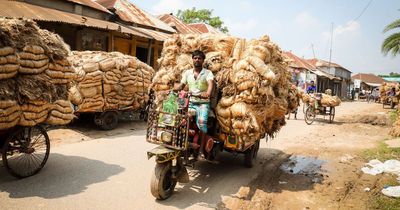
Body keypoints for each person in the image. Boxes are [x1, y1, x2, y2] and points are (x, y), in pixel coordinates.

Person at [176, 50, 214, 158]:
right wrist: (172, 90)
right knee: (181, 121)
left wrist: (207, 93)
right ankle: (181, 143)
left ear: (203, 60)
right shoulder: (187, 73)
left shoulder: (207, 73)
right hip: (191, 102)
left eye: (199, 58)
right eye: (195, 58)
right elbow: (181, 86)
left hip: (203, 104)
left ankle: (201, 150)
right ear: (192, 59)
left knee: (202, 123)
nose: (197, 60)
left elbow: (210, 84)